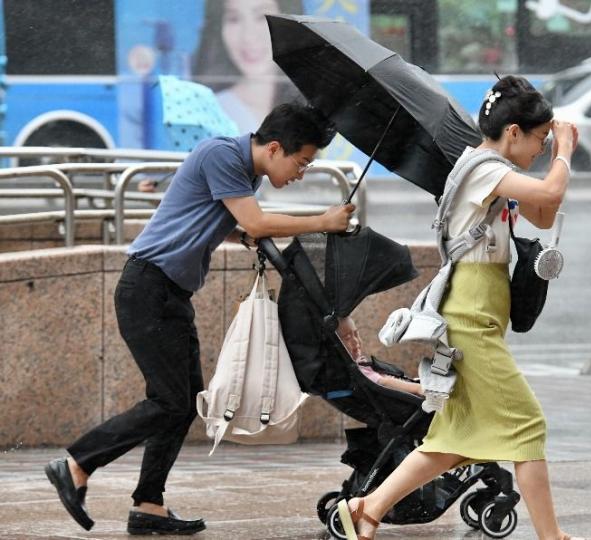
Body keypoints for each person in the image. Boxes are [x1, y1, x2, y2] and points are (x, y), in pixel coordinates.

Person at [43, 102, 356, 535]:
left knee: (182, 401)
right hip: (148, 289)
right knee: (169, 401)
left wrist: (239, 233)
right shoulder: (223, 155)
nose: (301, 173)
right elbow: (256, 220)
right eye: (301, 163)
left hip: (170, 294)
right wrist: (321, 220)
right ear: (275, 148)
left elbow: (215, 216)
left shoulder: (245, 170)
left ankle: (148, 505)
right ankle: (78, 463)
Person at [335, 76, 591, 540]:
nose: (542, 149)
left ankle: (366, 509)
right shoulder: (483, 168)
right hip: (470, 321)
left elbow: (544, 212)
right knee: (527, 426)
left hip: (479, 316)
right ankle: (554, 538)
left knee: (454, 440)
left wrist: (552, 164)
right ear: (513, 133)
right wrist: (564, 151)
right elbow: (547, 193)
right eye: (538, 139)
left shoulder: (494, 173)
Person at [192, 0, 303, 134]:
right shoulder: (213, 112)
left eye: (262, 17)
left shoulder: (313, 105)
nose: (248, 36)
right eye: (234, 19)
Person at [336, 317, 423, 396]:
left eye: (356, 334)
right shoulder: (358, 371)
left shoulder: (359, 365)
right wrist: (418, 389)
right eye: (347, 338)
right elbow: (384, 382)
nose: (355, 341)